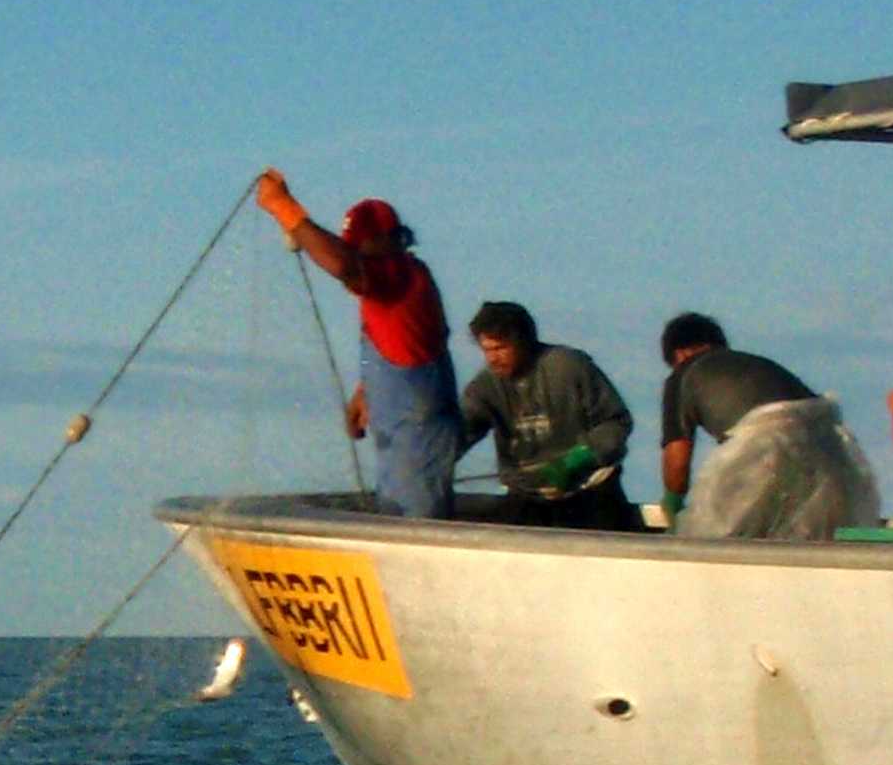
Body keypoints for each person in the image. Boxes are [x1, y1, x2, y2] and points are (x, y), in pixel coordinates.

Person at [254, 169, 462, 518]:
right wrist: (369, 391)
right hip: (403, 439)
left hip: (418, 441)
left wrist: (285, 209)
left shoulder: (397, 273)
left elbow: (342, 264)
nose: (356, 255)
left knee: (414, 524)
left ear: (388, 242)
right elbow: (409, 347)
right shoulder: (398, 284)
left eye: (360, 247)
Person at [658, 313, 882, 540]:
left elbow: (677, 462)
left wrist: (673, 503)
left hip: (765, 448)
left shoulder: (684, 374)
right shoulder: (758, 364)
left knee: (716, 541)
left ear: (679, 353)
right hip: (832, 454)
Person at [456, 301, 644, 531]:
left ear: (524, 341)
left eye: (501, 348)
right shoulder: (484, 388)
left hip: (590, 492)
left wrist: (574, 461)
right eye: (487, 350)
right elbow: (460, 432)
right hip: (528, 497)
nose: (493, 358)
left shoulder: (569, 366)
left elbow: (616, 422)